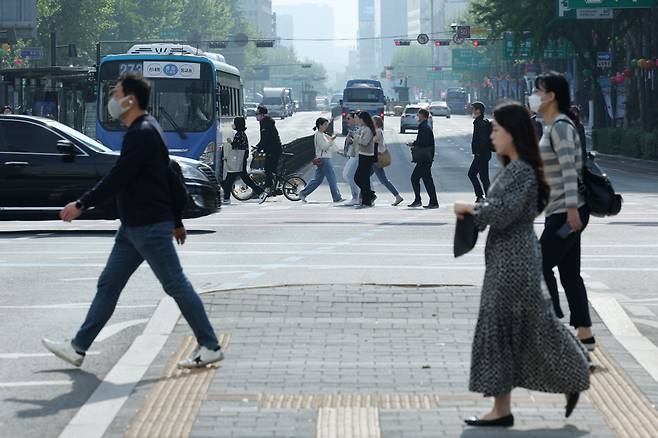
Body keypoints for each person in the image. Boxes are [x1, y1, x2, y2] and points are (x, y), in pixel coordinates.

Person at [42, 73, 223, 369]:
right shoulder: (146, 128)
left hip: (148, 226)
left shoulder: (142, 133)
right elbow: (167, 175)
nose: (112, 100)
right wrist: (176, 219)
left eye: (116, 94)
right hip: (133, 227)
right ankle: (78, 348)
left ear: (130, 100)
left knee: (175, 284)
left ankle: (210, 344)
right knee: (109, 285)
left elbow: (120, 176)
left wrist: (81, 204)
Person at [454, 102, 590, 428]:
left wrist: (471, 209)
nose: (491, 135)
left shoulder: (522, 170)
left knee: (513, 329)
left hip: (514, 263)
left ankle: (574, 373)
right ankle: (503, 408)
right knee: (518, 329)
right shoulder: (515, 168)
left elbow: (503, 212)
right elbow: (502, 207)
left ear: (513, 134)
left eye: (497, 130)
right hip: (507, 259)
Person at [530, 72, 595, 352]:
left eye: (538, 91)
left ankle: (553, 323)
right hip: (563, 210)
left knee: (540, 263)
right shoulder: (553, 126)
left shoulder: (560, 127)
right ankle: (585, 333)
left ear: (551, 95)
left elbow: (569, 170)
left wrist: (571, 210)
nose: (534, 96)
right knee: (570, 273)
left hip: (568, 213)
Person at [221, 116, 266, 205]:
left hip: (238, 160)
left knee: (230, 179)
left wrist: (230, 142)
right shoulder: (242, 134)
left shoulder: (239, 134)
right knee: (242, 178)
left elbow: (236, 147)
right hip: (240, 159)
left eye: (235, 123)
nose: (233, 125)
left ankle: (226, 198)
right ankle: (260, 192)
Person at [299, 117, 343, 203]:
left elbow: (331, 146)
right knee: (331, 178)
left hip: (323, 159)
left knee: (317, 180)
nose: (326, 126)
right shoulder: (319, 135)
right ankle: (336, 197)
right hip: (324, 159)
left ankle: (303, 193)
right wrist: (331, 140)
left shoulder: (322, 134)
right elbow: (325, 147)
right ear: (320, 125)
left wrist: (339, 152)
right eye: (325, 124)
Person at [407, 109, 438, 209]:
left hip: (424, 158)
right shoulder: (424, 126)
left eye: (419, 115)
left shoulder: (424, 127)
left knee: (415, 178)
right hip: (427, 158)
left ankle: (419, 200)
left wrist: (414, 143)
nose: (417, 117)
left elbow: (423, 142)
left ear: (424, 116)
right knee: (427, 179)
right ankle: (432, 201)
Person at [372, 115, 403, 206]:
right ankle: (397, 196)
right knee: (365, 177)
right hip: (374, 157)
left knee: (380, 179)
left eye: (372, 121)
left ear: (376, 123)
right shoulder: (377, 131)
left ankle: (397, 196)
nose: (371, 123)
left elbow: (370, 141)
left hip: (376, 158)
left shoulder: (377, 131)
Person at [467, 102, 492, 203]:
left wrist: (478, 152)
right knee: (483, 177)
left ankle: (481, 196)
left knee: (472, 174)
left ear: (478, 110)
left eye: (473, 109)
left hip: (481, 154)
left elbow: (483, 140)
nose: (471, 110)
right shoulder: (481, 121)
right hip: (483, 154)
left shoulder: (480, 123)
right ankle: (486, 197)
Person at [255, 106, 282, 196]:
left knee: (268, 169)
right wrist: (258, 146)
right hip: (275, 149)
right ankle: (277, 188)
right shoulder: (266, 122)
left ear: (262, 115)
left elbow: (265, 139)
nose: (256, 116)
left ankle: (268, 188)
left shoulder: (265, 123)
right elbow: (263, 139)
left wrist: (258, 149)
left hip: (273, 150)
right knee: (273, 169)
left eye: (257, 114)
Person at [352, 111, 377, 208]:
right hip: (363, 154)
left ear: (364, 120)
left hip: (367, 156)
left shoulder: (368, 129)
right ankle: (368, 197)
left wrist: (356, 137)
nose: (359, 120)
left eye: (360, 119)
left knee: (359, 178)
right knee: (362, 178)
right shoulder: (364, 128)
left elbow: (365, 142)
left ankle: (368, 199)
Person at [342, 112, 361, 206]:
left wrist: (353, 140)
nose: (347, 120)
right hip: (353, 155)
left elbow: (362, 141)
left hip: (358, 155)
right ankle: (363, 195)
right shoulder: (353, 129)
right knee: (349, 175)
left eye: (349, 118)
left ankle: (356, 196)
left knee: (349, 175)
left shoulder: (359, 129)